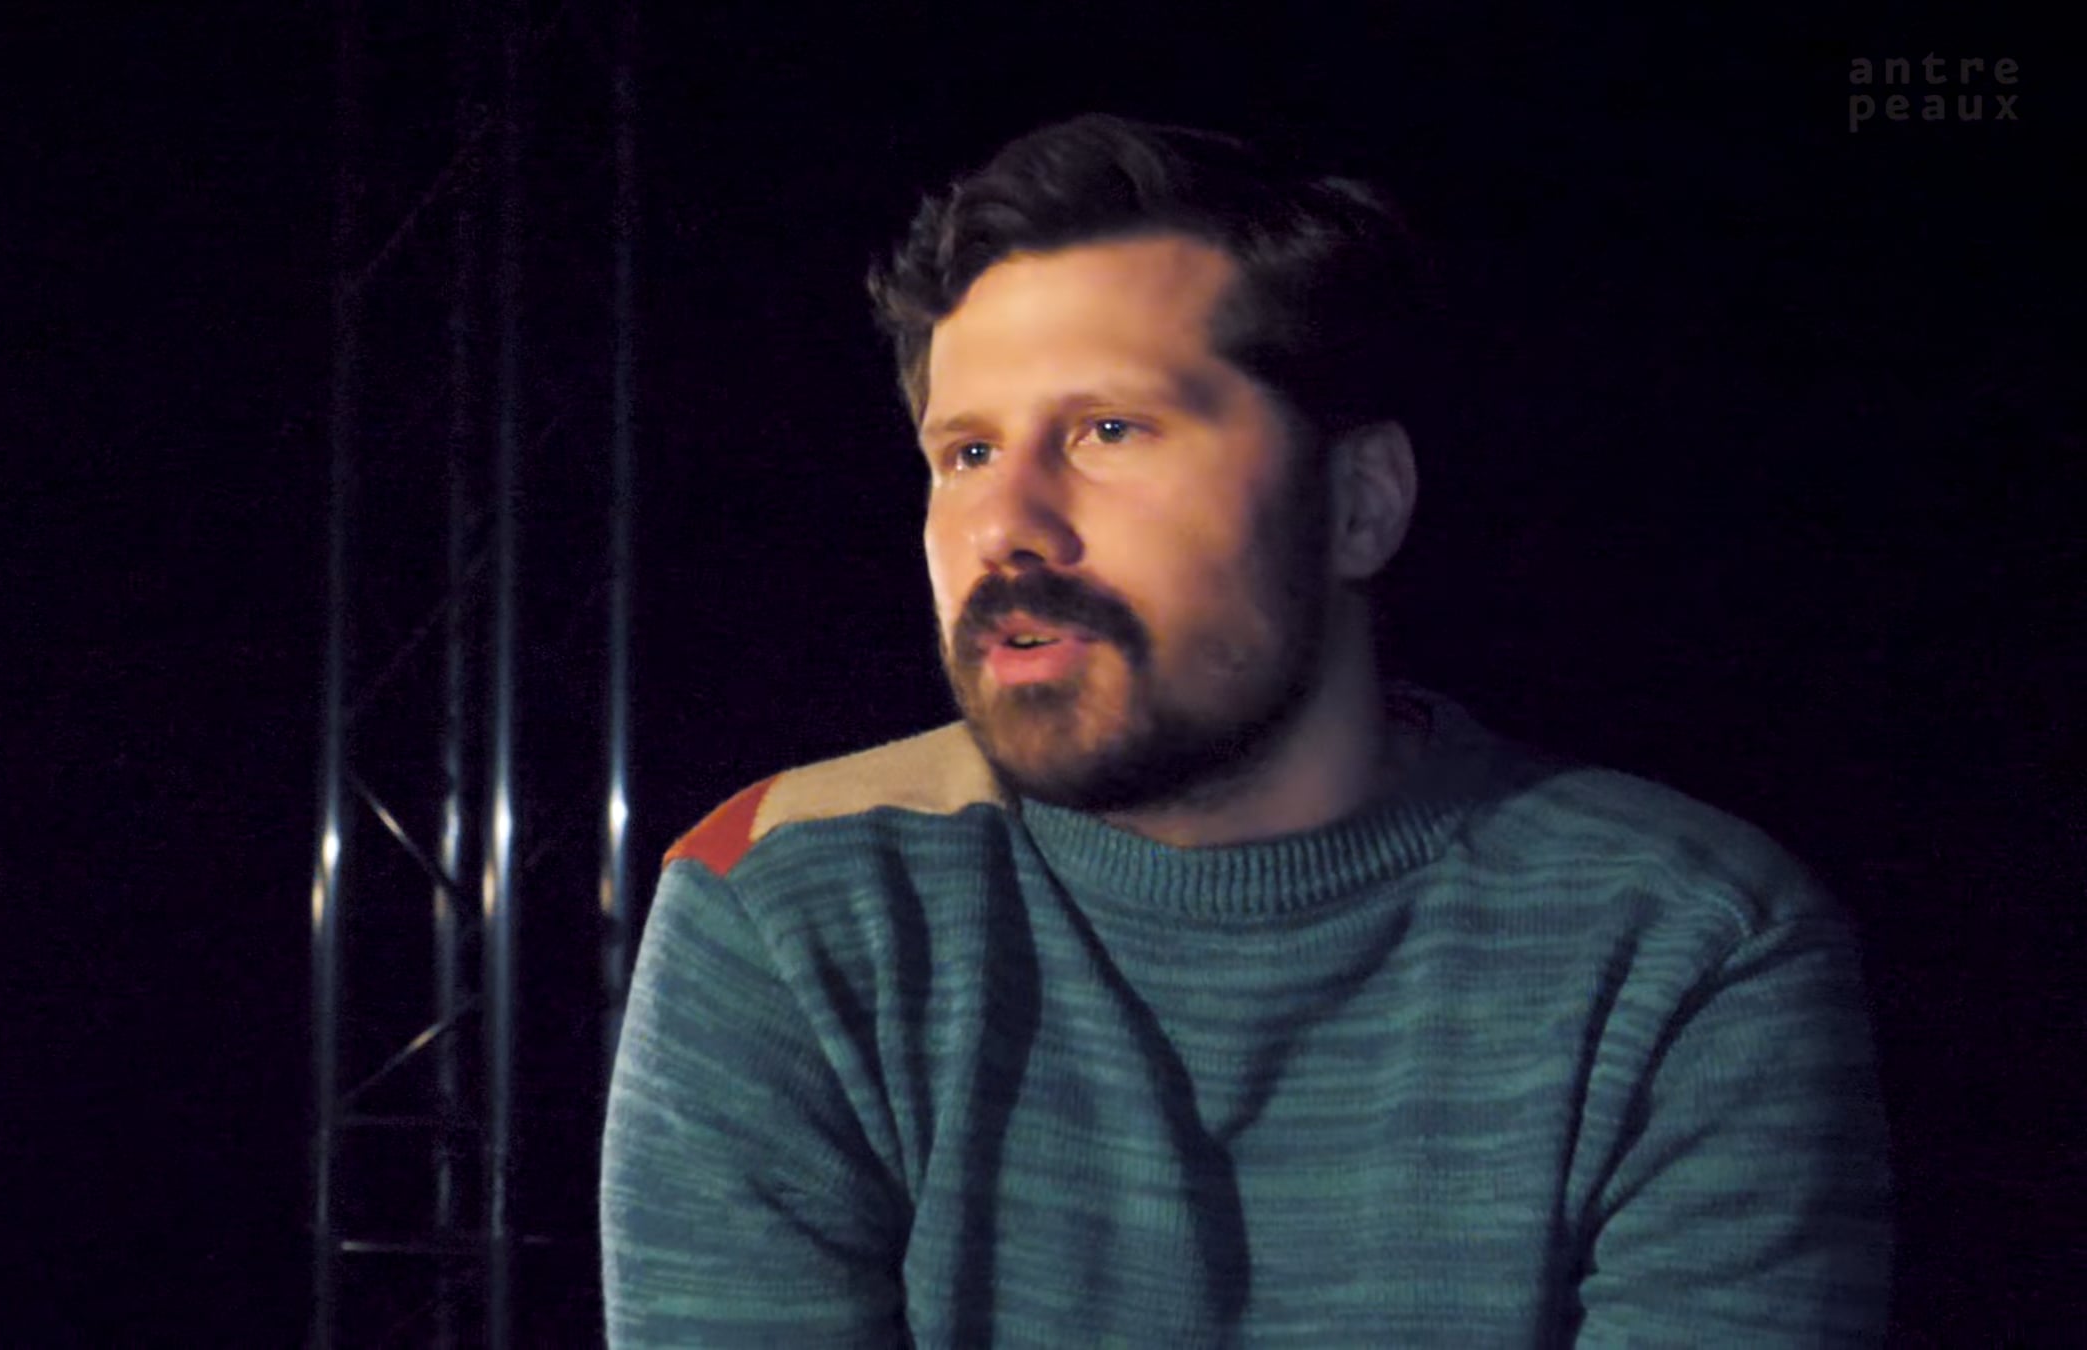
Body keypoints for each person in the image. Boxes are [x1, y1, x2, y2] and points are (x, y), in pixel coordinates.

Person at [601, 114, 1891, 1345]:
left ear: (1359, 505)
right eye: (966, 454)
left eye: (1108, 430)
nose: (1004, 527)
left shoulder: (1690, 946)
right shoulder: (789, 902)